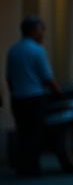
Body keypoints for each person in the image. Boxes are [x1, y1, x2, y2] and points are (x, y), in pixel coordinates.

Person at [5, 16, 60, 176]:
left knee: (22, 132)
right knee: (35, 133)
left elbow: (9, 78)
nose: (42, 34)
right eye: (41, 30)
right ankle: (33, 167)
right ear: (33, 31)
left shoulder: (13, 50)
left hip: (18, 98)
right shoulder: (37, 50)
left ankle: (21, 167)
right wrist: (58, 93)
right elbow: (47, 78)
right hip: (35, 97)